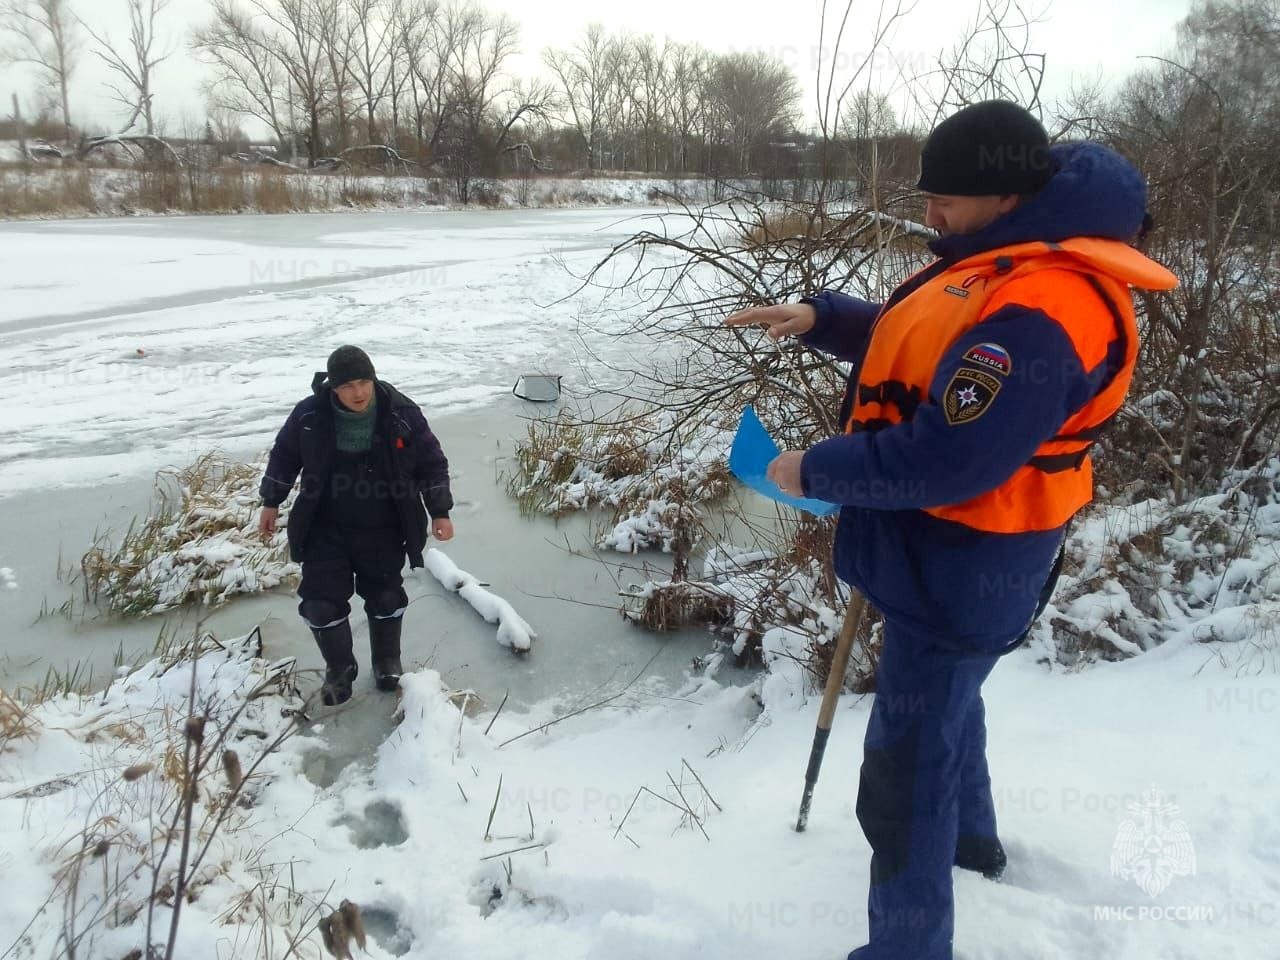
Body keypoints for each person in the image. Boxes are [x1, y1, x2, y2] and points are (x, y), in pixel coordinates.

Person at [726, 100, 1177, 960]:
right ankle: (973, 846)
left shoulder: (1048, 306)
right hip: (943, 561)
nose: (929, 213)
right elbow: (933, 344)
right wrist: (827, 320)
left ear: (1006, 197)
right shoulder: (1007, 264)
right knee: (946, 709)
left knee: (904, 776)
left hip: (970, 564)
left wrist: (810, 470)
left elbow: (949, 456)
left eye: (945, 198)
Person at [258, 346, 454, 706]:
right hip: (324, 526)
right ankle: (340, 668)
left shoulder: (401, 413)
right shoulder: (309, 415)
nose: (358, 392)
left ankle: (386, 660)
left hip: (384, 523)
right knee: (320, 604)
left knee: (385, 596)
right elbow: (284, 455)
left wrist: (439, 510)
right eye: (348, 385)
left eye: (364, 382)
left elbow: (431, 463)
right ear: (333, 387)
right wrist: (271, 501)